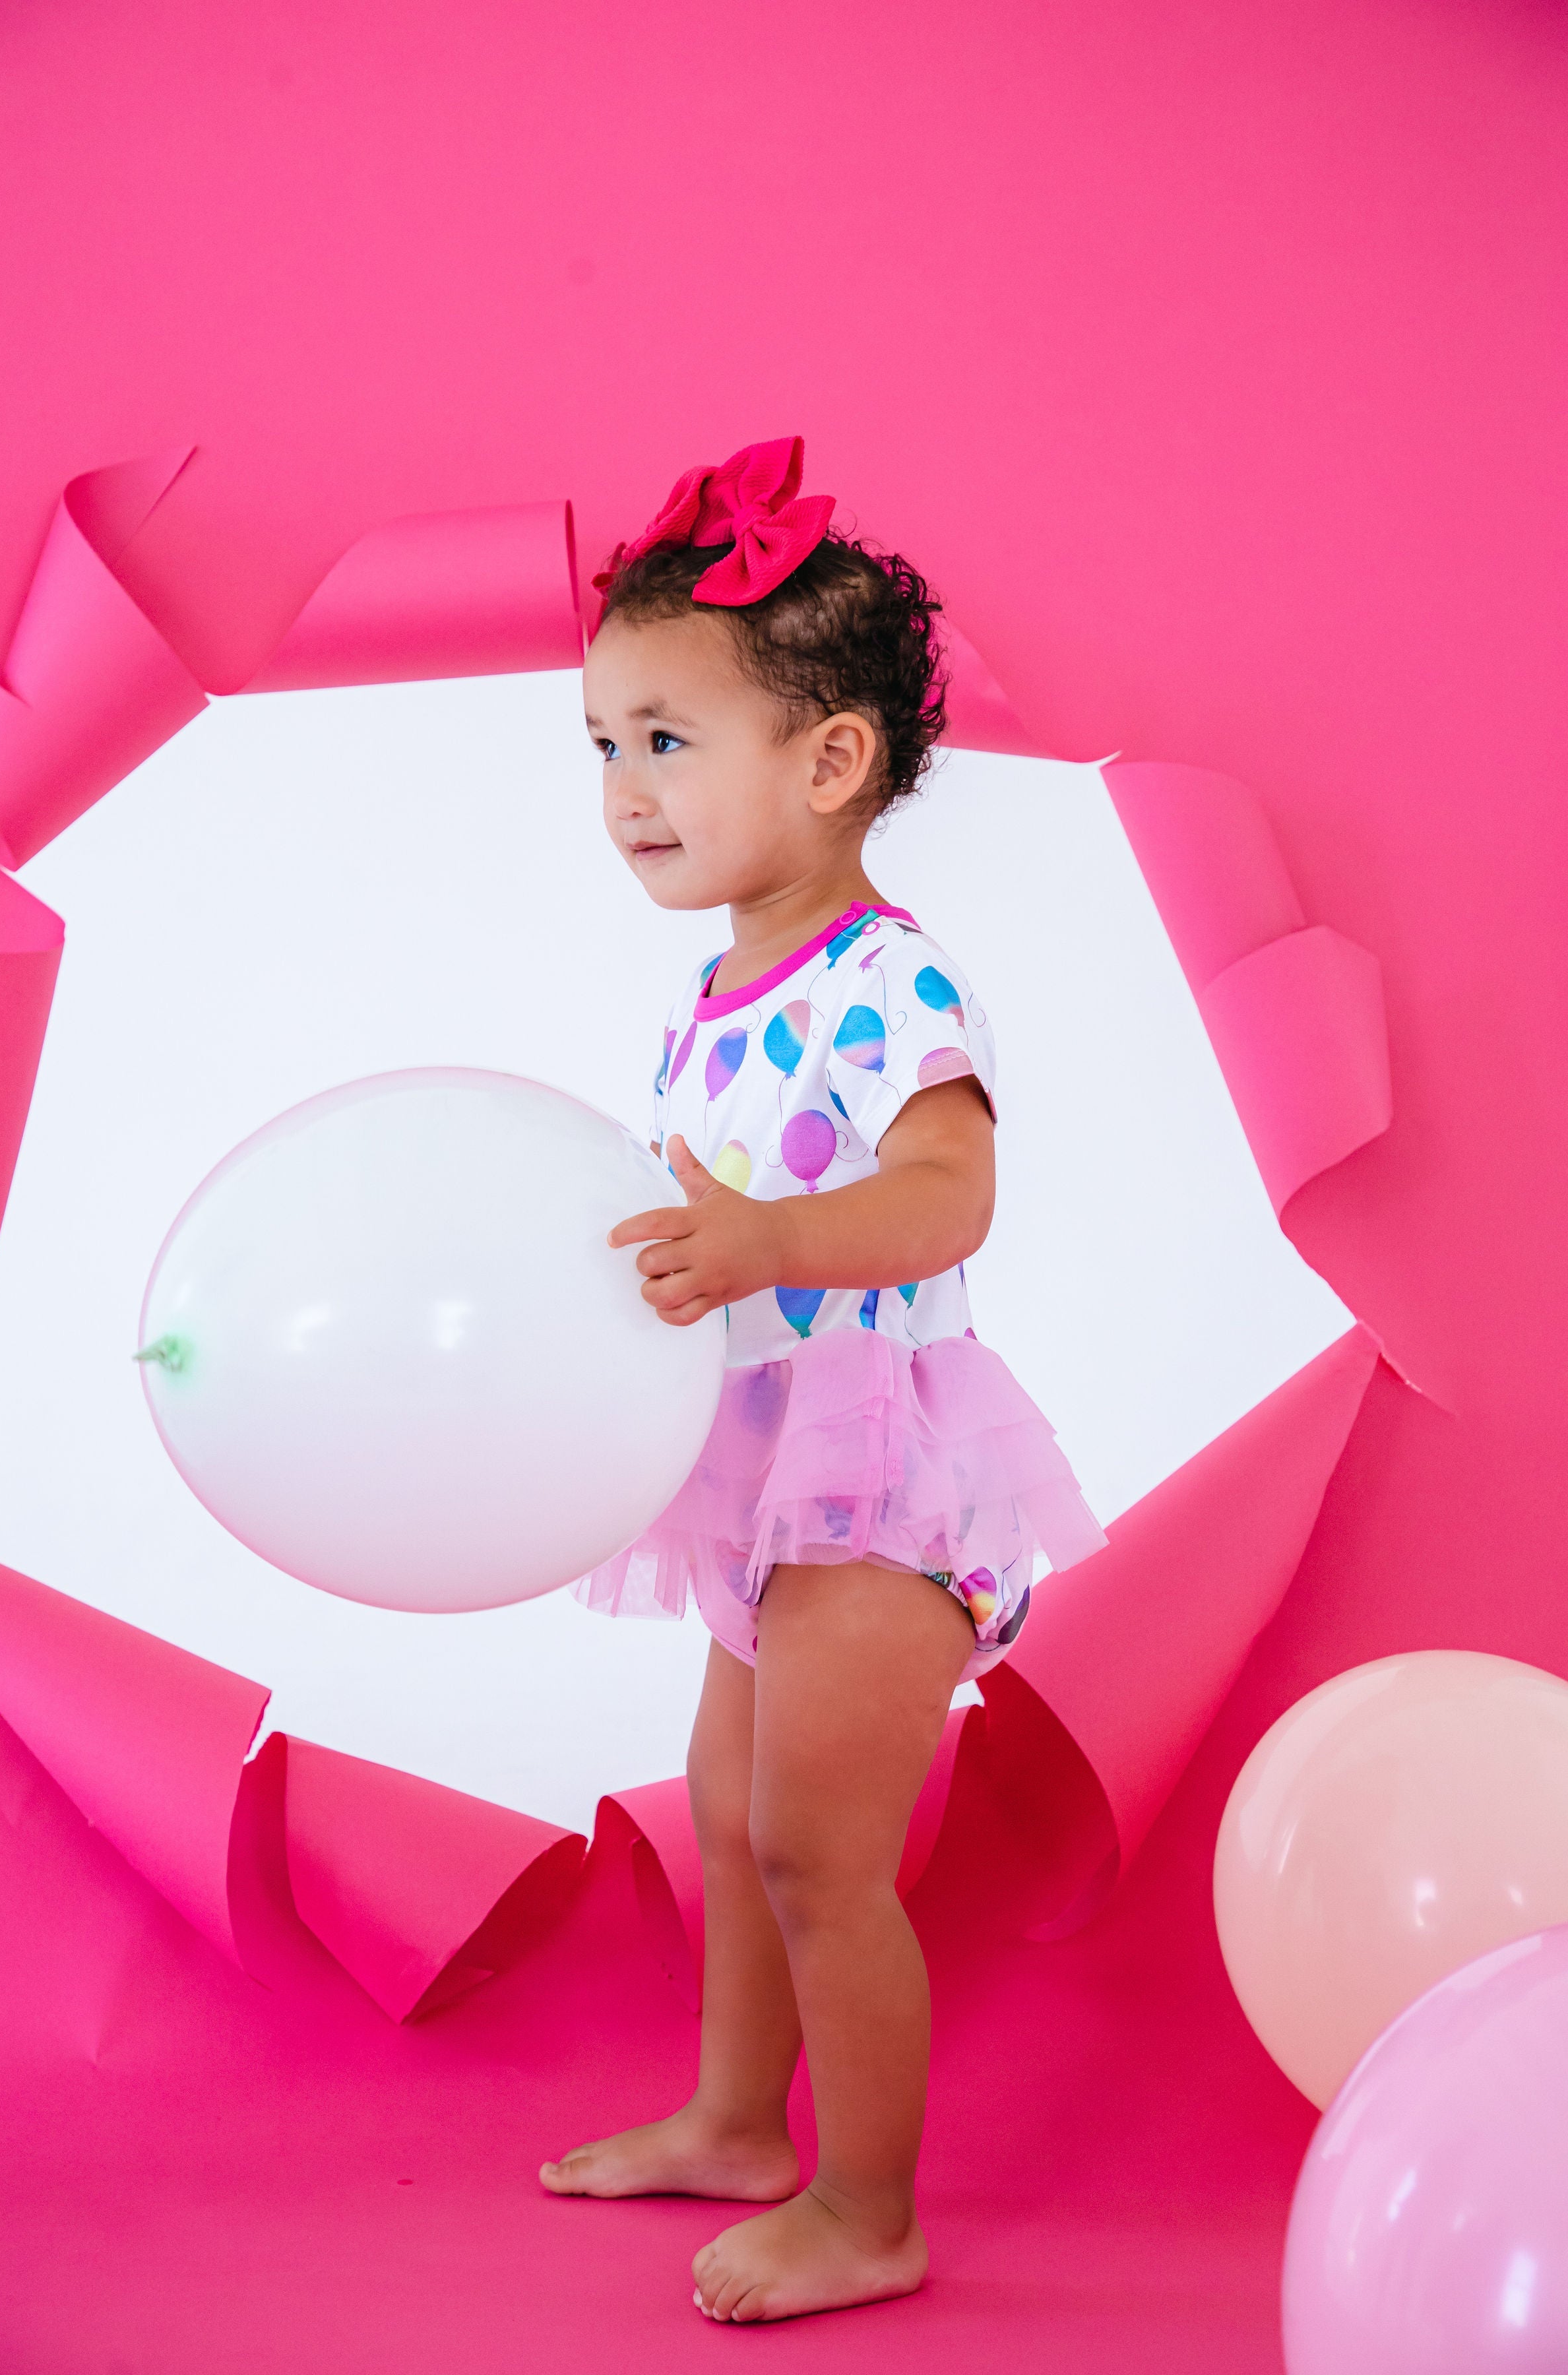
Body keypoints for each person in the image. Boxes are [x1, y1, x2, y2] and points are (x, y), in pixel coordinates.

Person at [540, 437, 1105, 2322]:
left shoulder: (889, 981)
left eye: (665, 741)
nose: (623, 789)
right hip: (760, 1459)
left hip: (880, 1463)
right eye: (603, 746)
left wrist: (768, 1242)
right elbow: (701, 1212)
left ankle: (868, 2210)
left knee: (815, 1850)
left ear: (832, 761)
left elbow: (949, 1194)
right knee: (727, 1810)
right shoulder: (718, 993)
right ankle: (734, 2120)